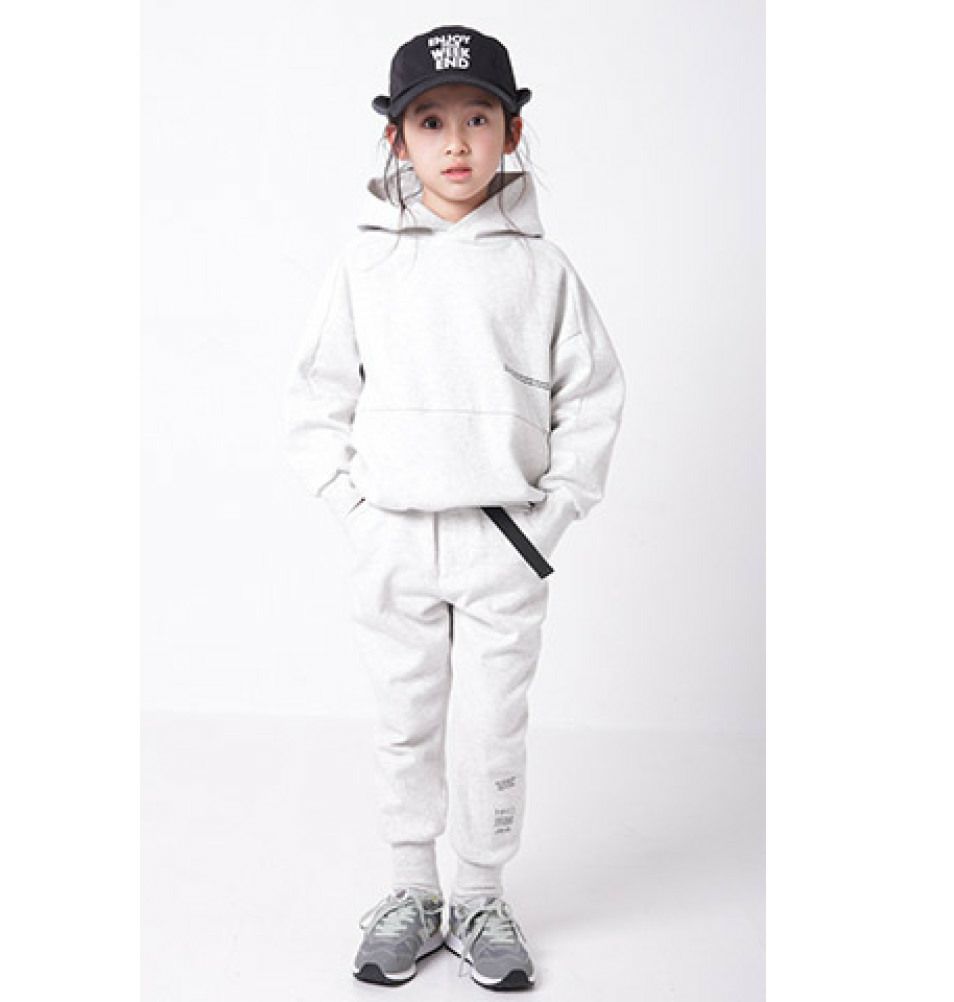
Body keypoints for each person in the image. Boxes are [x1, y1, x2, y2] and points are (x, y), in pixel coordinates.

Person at [283, 24, 626, 991]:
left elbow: (593, 396)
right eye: (431, 122)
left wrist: (551, 517)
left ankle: (479, 896)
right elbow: (316, 395)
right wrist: (357, 509)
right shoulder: (364, 264)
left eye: (479, 118)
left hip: (501, 541)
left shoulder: (542, 270)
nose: (457, 142)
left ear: (512, 131)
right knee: (405, 719)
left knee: (491, 726)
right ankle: (411, 891)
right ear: (397, 138)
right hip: (395, 537)